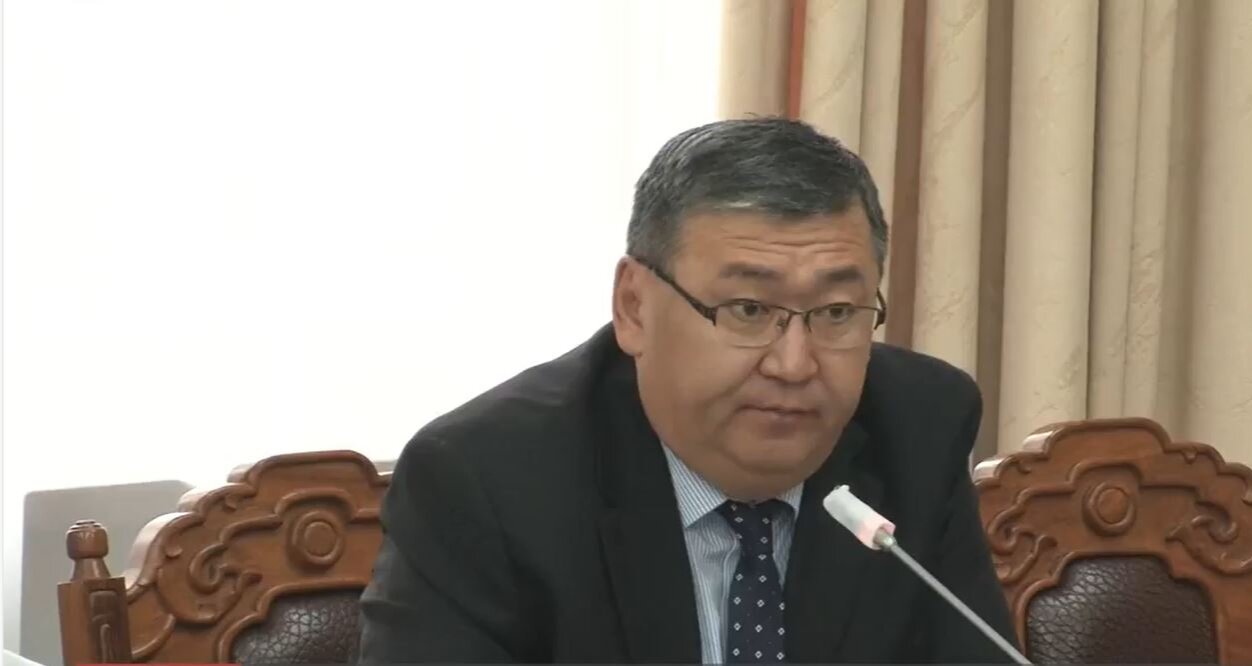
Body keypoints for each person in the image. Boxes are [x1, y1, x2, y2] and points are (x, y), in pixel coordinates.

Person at [356, 118, 1019, 664]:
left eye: (837, 312)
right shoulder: (486, 479)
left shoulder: (919, 427)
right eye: (748, 310)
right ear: (634, 307)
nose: (794, 364)